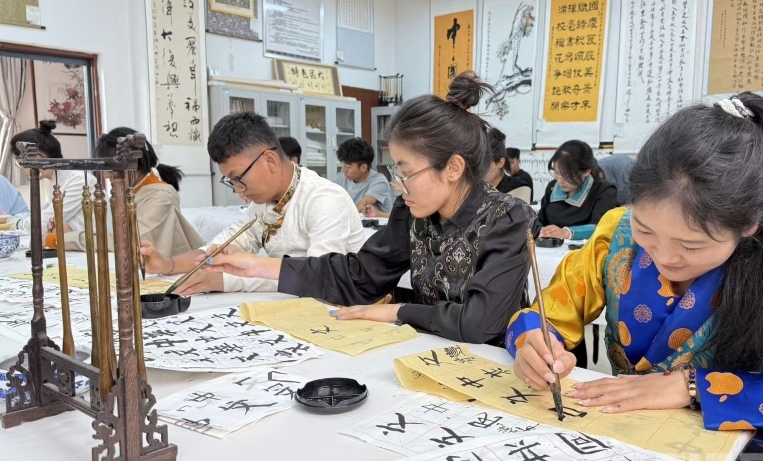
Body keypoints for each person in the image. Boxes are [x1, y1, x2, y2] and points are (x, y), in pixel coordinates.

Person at [506, 94, 763, 449]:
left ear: (750, 223)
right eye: (646, 229)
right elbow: (550, 313)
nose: (664, 256)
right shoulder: (616, 234)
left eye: (691, 245)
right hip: (619, 442)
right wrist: (534, 343)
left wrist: (696, 387)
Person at [205, 72, 538, 345]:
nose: (397, 184)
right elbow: (361, 276)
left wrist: (397, 311)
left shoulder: (508, 219)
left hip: (493, 368)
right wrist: (261, 266)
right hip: (424, 352)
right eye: (395, 171)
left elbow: (480, 322)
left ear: (452, 168)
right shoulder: (413, 214)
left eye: (405, 172)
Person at [140, 112, 366, 295]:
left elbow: (319, 276)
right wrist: (167, 265)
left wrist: (227, 281)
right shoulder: (262, 203)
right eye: (231, 182)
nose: (239, 190)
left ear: (269, 160)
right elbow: (218, 248)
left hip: (341, 308)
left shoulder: (324, 199)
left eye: (239, 179)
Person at [49, 128, 204, 257]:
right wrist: (70, 232)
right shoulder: (129, 193)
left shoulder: (162, 197)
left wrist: (65, 239)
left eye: (110, 168)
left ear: (133, 164)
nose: (106, 175)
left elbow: (129, 241)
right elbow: (112, 235)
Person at [8, 121, 97, 237]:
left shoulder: (79, 181)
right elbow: (41, 215)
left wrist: (17, 224)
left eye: (20, 162)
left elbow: (41, 223)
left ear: (38, 157)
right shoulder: (53, 182)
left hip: (91, 245)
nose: (21, 168)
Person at [538, 140, 617, 240]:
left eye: (567, 175)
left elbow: (601, 228)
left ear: (586, 171)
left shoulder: (604, 191)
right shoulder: (552, 187)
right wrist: (539, 230)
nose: (560, 181)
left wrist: (566, 233)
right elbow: (540, 220)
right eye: (557, 173)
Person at [333, 137, 392, 213]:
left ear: (363, 167)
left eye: (347, 167)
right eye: (343, 165)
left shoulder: (379, 181)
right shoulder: (341, 178)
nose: (343, 170)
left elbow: (361, 206)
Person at [484, 128, 530, 203]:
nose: (481, 170)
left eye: (486, 164)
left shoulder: (519, 187)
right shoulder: (476, 188)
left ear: (500, 163)